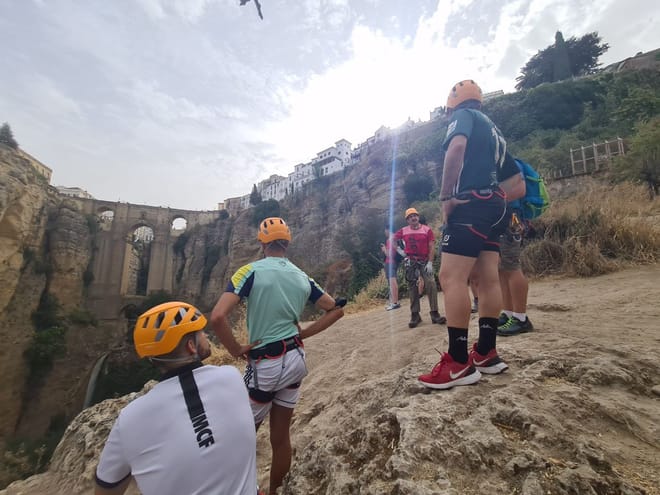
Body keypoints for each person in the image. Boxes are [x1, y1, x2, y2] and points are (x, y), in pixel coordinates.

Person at [210, 217, 344, 495]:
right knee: (281, 438)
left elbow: (218, 317)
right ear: (287, 243)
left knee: (241, 438)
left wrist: (235, 349)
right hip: (295, 359)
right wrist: (303, 334)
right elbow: (335, 310)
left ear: (262, 243)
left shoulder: (249, 271)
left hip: (266, 363)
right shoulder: (302, 276)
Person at [95, 301, 259, 495]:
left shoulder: (129, 419)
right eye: (201, 332)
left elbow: (105, 489)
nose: (206, 336)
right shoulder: (231, 377)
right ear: (191, 346)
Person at [419, 79, 519, 389]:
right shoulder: (494, 131)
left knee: (451, 277)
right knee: (487, 278)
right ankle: (486, 353)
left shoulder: (462, 116)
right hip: (496, 206)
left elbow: (457, 148)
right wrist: (491, 198)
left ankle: (458, 362)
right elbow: (516, 181)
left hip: (471, 204)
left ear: (452, 106)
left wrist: (446, 197)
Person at [394, 207, 446, 328]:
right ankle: (415, 315)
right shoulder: (403, 231)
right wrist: (399, 250)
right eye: (410, 217)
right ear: (407, 220)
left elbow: (431, 246)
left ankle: (435, 313)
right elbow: (393, 239)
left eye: (415, 215)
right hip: (411, 261)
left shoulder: (427, 230)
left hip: (424, 260)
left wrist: (430, 262)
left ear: (418, 217)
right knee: (412, 287)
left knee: (431, 284)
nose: (413, 218)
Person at [497, 183, 534, 336]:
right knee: (502, 269)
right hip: (502, 216)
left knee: (512, 267)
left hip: (509, 216)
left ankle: (520, 318)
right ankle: (508, 313)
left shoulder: (506, 169)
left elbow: (517, 190)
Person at [381, 226, 401, 310]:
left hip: (390, 263)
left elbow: (390, 255)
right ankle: (394, 302)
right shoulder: (395, 238)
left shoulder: (390, 240)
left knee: (392, 282)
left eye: (385, 230)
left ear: (388, 230)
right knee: (393, 281)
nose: (384, 232)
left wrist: (384, 249)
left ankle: (395, 303)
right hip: (394, 263)